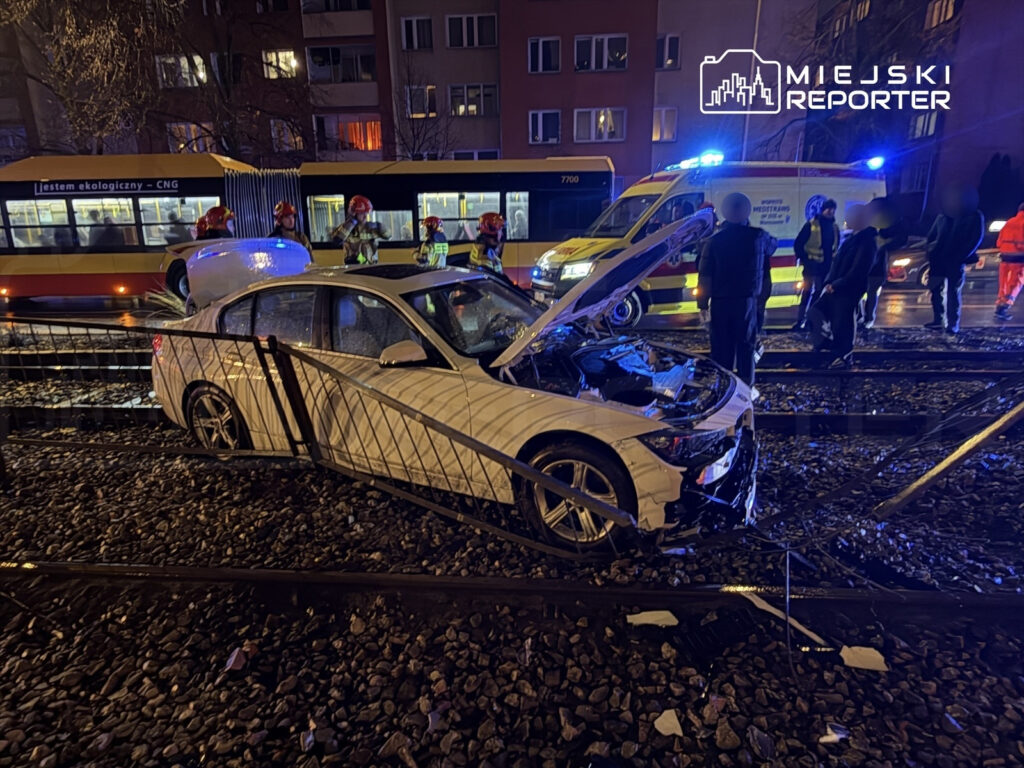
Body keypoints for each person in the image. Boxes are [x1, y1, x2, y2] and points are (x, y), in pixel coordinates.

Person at [696, 192, 775, 386]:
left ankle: (725, 389)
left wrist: (702, 304)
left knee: (722, 349)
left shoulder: (714, 241)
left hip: (721, 303)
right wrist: (762, 300)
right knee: (746, 349)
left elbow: (705, 275)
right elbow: (771, 254)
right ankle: (746, 388)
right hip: (747, 302)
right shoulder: (759, 237)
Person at [813, 204, 876, 368]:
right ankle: (830, 346)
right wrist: (829, 282)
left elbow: (858, 269)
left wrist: (836, 284)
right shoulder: (852, 238)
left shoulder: (867, 241)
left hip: (848, 289)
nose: (846, 219)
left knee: (844, 323)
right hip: (836, 286)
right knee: (816, 313)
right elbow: (836, 263)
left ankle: (844, 356)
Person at [924, 184, 984, 334]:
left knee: (953, 292)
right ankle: (938, 319)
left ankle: (952, 324)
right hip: (938, 258)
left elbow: (976, 239)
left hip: (955, 260)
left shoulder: (974, 216)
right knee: (935, 290)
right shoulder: (943, 215)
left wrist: (961, 256)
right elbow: (931, 236)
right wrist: (931, 250)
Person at [792, 198, 839, 331]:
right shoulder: (811, 225)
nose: (830, 212)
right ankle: (800, 321)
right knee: (806, 293)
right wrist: (805, 258)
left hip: (825, 267)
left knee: (819, 295)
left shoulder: (834, 227)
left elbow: (836, 247)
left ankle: (811, 321)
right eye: (828, 209)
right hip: (811, 265)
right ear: (823, 209)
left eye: (833, 210)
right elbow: (798, 244)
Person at [861, 197, 908, 329]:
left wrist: (885, 243)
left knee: (871, 293)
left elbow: (902, 238)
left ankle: (868, 318)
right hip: (863, 266)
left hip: (876, 268)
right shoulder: (867, 228)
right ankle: (861, 317)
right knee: (859, 292)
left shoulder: (888, 229)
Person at [330, 195, 389, 265]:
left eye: (367, 213)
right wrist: (352, 222)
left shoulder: (371, 227)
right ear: (354, 213)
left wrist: (379, 226)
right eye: (362, 213)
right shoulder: (346, 228)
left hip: (371, 267)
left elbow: (388, 236)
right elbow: (336, 240)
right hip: (353, 268)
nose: (365, 216)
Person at [995, 202, 1024, 320]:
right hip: (1019, 259)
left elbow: (998, 242)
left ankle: (999, 306)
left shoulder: (1009, 222)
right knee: (1015, 284)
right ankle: (1004, 308)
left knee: (1004, 284)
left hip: (1005, 257)